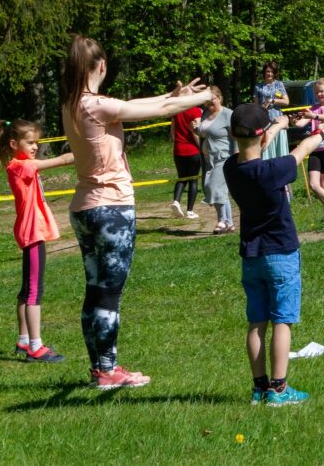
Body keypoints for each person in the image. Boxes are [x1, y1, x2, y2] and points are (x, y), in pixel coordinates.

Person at [62, 34, 212, 389]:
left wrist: (173, 97)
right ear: (102, 65)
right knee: (110, 293)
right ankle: (110, 371)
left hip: (84, 208)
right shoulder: (95, 105)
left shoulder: (72, 103)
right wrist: (202, 98)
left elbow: (132, 104)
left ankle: (100, 368)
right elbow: (151, 111)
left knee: (95, 290)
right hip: (111, 209)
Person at [224, 103, 324, 406]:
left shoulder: (232, 168)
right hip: (280, 253)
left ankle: (259, 388)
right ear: (263, 138)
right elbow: (303, 150)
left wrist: (280, 123)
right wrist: (323, 131)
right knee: (282, 321)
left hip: (251, 256)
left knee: (257, 323)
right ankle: (279, 389)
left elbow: (260, 141)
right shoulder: (272, 170)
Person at [1, 119, 74, 363]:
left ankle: (23, 341)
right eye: (30, 142)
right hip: (32, 233)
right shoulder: (22, 166)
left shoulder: (18, 165)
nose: (35, 147)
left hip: (31, 232)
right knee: (34, 293)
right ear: (13, 144)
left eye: (37, 143)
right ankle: (35, 346)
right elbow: (63, 160)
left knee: (26, 291)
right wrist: (85, 148)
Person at [289, 78, 324, 219]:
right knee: (313, 184)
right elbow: (301, 124)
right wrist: (294, 121)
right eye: (316, 92)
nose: (319, 94)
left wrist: (315, 116)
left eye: (321, 91)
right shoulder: (313, 108)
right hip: (315, 149)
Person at [197, 86, 236, 234]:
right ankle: (230, 223)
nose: (208, 104)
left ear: (219, 98)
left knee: (215, 187)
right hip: (208, 158)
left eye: (211, 100)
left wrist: (237, 153)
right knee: (211, 187)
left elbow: (235, 136)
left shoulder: (228, 114)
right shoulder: (205, 114)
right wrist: (194, 129)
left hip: (223, 156)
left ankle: (222, 221)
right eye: (206, 102)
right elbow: (203, 133)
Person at [169, 103, 203, 219]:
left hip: (178, 149)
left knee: (181, 178)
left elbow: (173, 133)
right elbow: (196, 133)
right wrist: (201, 148)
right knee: (193, 180)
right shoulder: (196, 111)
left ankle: (176, 201)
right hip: (193, 150)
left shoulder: (176, 110)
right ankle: (190, 211)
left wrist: (179, 142)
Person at [253, 61, 290, 161]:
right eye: (267, 71)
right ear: (264, 72)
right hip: (264, 121)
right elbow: (255, 106)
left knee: (279, 147)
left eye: (272, 72)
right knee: (266, 146)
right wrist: (263, 106)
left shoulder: (279, 85)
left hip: (278, 120)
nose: (269, 74)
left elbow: (286, 102)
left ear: (275, 73)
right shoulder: (258, 87)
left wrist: (273, 100)